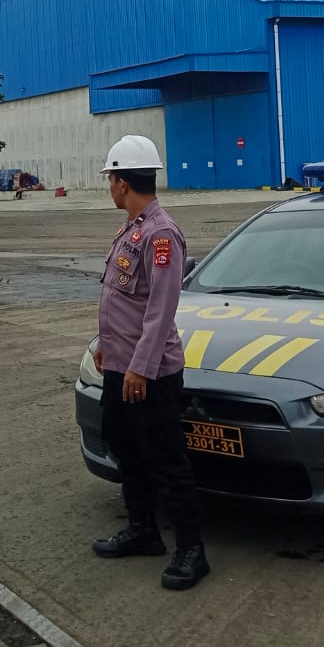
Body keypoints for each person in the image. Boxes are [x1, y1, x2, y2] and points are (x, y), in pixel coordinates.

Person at [90, 134, 210, 590]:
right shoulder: (132, 228)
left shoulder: (161, 234)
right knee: (127, 450)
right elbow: (123, 301)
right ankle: (143, 530)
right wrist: (107, 346)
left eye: (111, 179)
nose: (110, 186)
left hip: (150, 374)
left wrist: (139, 366)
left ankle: (191, 550)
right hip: (120, 367)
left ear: (122, 183)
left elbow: (161, 310)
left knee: (167, 461)